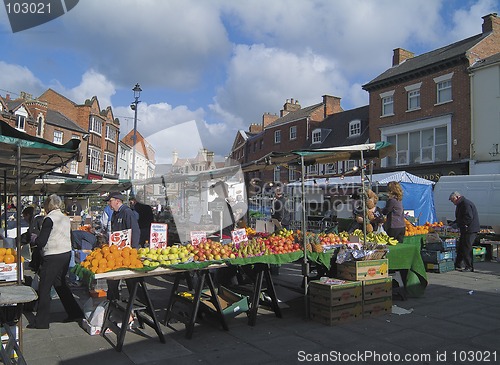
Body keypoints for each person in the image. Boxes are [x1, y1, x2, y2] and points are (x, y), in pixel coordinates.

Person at [28, 194, 84, 329]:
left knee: (45, 288)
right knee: (60, 284)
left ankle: (41, 322)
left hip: (53, 255)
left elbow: (41, 242)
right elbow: (70, 236)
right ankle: (75, 312)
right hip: (65, 253)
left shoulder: (49, 219)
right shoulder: (65, 218)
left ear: (48, 205)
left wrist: (33, 238)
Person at [104, 191, 141, 301]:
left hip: (127, 253)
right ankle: (113, 303)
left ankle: (136, 304)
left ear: (117, 201)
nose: (108, 204)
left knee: (131, 281)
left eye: (110, 201)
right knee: (112, 280)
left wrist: (132, 250)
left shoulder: (127, 212)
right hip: (116, 253)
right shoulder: (115, 214)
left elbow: (135, 231)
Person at [449, 191, 480, 272]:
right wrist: (454, 223)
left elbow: (468, 218)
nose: (453, 203)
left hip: (470, 229)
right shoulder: (461, 204)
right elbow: (460, 217)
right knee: (461, 247)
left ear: (457, 197)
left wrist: (459, 224)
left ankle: (469, 266)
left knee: (467, 247)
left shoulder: (465, 204)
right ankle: (457, 264)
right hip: (466, 229)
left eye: (453, 200)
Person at [21, 206, 44, 272]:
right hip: (37, 250)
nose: (24, 219)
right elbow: (28, 235)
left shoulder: (38, 220)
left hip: (40, 250)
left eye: (24, 216)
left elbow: (30, 235)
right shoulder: (33, 222)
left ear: (28, 215)